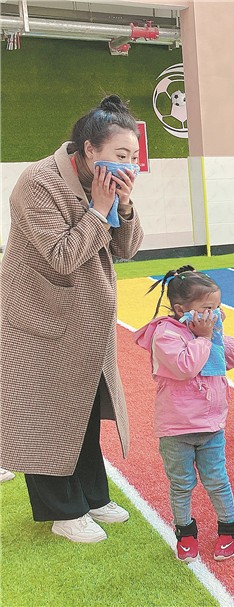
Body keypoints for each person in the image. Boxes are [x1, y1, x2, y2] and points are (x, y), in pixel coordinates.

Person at [0, 95, 144, 543]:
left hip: (83, 319)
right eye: (121, 155)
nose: (129, 165)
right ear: (89, 149)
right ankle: (63, 512)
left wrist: (123, 206)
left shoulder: (105, 183)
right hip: (38, 319)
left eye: (134, 157)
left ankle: (92, 497)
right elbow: (63, 256)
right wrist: (99, 209)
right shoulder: (39, 182)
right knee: (45, 414)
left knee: (81, 409)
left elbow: (126, 249)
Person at [135, 267, 234, 561]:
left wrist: (216, 333)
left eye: (217, 307)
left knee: (217, 480)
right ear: (182, 310)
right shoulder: (165, 335)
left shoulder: (206, 333)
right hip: (177, 428)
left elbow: (232, 358)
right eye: (208, 308)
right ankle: (185, 533)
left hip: (211, 425)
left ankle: (230, 528)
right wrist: (204, 337)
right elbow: (185, 367)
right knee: (182, 484)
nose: (214, 313)